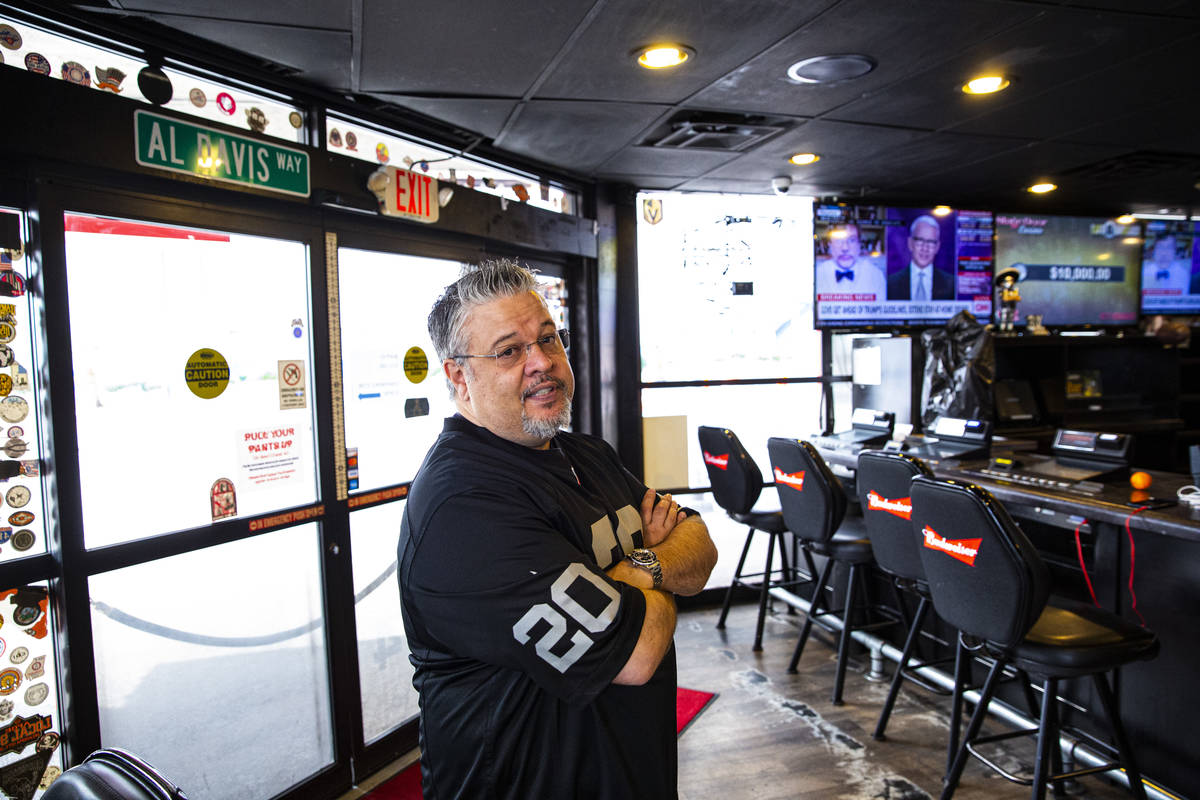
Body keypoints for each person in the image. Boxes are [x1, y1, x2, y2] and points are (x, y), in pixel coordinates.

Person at [398, 258, 717, 799]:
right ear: (458, 375)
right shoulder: (463, 506)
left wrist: (638, 570)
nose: (542, 362)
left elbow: (702, 547)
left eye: (548, 338)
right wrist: (659, 572)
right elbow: (639, 650)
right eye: (509, 350)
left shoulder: (587, 453)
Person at [887, 214, 955, 300]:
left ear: (937, 247)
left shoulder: (952, 284)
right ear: (910, 243)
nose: (925, 248)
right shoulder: (890, 283)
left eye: (930, 242)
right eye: (920, 240)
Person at [814, 222, 885, 299]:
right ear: (829, 244)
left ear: (859, 244)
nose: (845, 248)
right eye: (838, 240)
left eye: (851, 240)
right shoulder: (817, 275)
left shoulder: (876, 275)